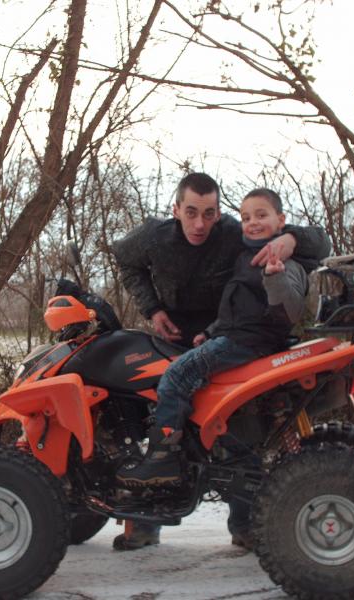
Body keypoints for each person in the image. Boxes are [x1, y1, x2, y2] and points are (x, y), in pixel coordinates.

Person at [110, 174, 330, 551]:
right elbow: (124, 260)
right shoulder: (153, 236)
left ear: (219, 213)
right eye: (191, 212)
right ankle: (144, 524)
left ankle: (245, 525)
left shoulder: (235, 233)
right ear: (176, 209)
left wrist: (289, 239)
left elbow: (317, 244)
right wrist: (153, 309)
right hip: (181, 336)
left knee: (235, 430)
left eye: (209, 213)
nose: (200, 224)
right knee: (154, 418)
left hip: (232, 339)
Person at [117, 188, 307, 488]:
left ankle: (162, 457)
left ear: (281, 220)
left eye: (261, 215)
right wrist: (209, 332)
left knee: (176, 376)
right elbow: (236, 308)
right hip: (227, 337)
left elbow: (290, 308)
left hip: (247, 344)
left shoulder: (285, 260)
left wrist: (278, 270)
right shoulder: (242, 253)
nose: (253, 222)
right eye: (246, 217)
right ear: (176, 209)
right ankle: (147, 518)